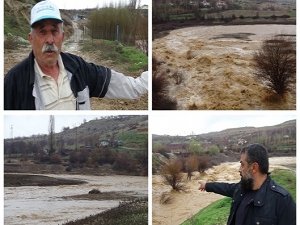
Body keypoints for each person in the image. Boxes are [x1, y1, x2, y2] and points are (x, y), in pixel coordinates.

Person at [4, 0, 148, 110]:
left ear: (63, 36)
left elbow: (133, 87)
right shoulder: (14, 81)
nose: (50, 40)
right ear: (31, 38)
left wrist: (151, 76)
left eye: (54, 31)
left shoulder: (78, 68)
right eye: (42, 32)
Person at [198, 144, 296, 225]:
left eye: (242, 164)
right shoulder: (242, 188)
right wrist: (207, 185)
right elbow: (226, 187)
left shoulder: (283, 201)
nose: (239, 169)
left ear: (254, 167)